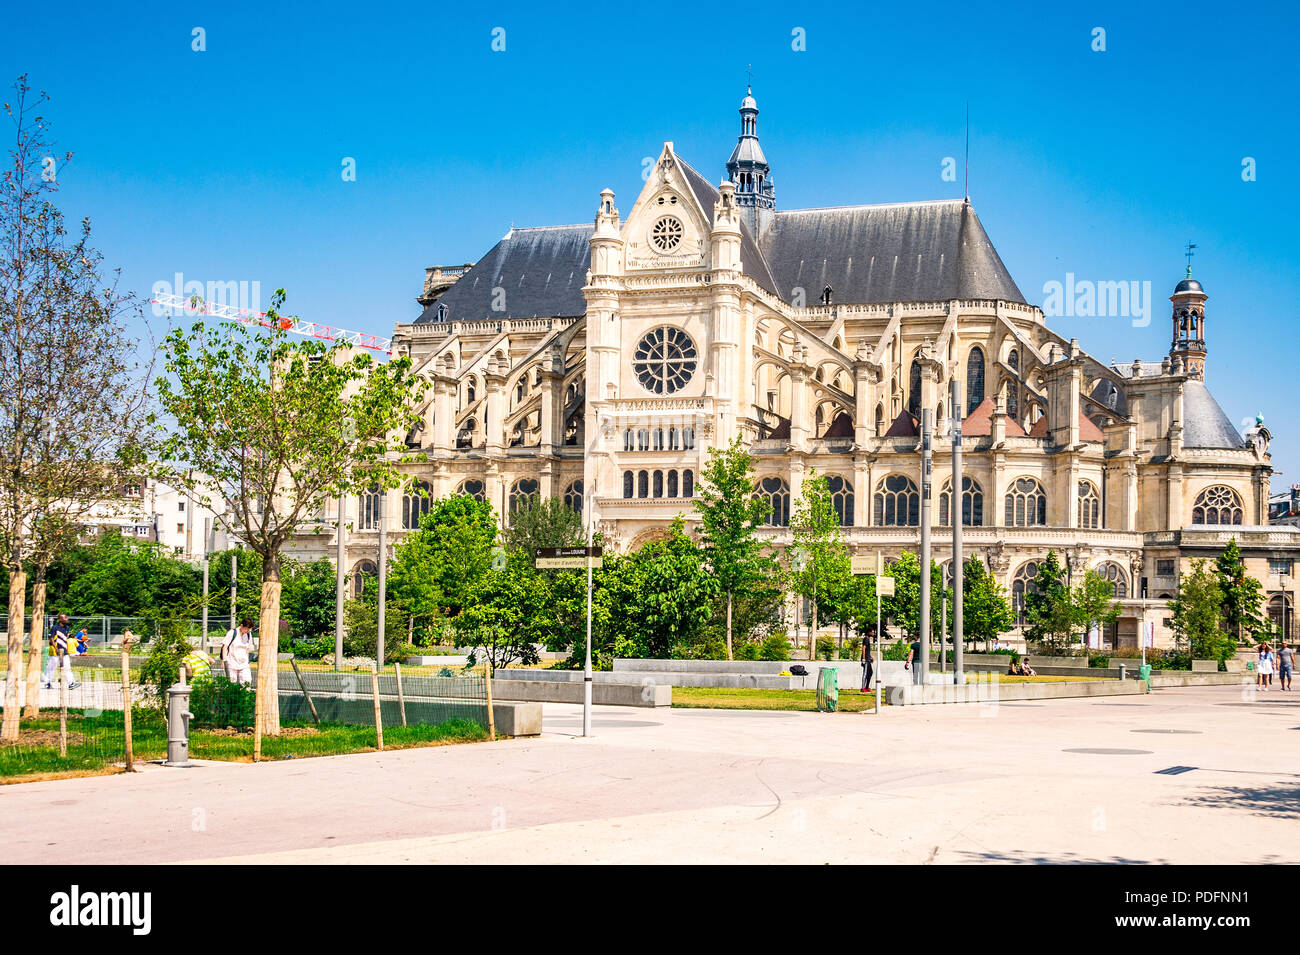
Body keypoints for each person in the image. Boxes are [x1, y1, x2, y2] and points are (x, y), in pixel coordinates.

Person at [42, 614, 79, 690]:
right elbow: (51, 638)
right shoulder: (55, 627)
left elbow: (65, 640)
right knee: (51, 668)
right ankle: (47, 683)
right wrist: (56, 648)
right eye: (65, 617)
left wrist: (67, 650)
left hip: (64, 651)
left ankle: (71, 683)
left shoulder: (67, 628)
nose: (67, 618)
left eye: (66, 617)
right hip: (55, 652)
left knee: (67, 667)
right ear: (60, 619)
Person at [221, 618, 255, 686]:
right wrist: (224, 661)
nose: (247, 631)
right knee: (231, 684)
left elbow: (247, 648)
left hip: (244, 664)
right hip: (231, 663)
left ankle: (245, 696)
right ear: (241, 626)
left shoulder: (248, 634)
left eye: (249, 629)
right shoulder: (232, 633)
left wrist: (247, 660)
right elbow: (225, 647)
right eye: (246, 629)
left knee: (247, 683)